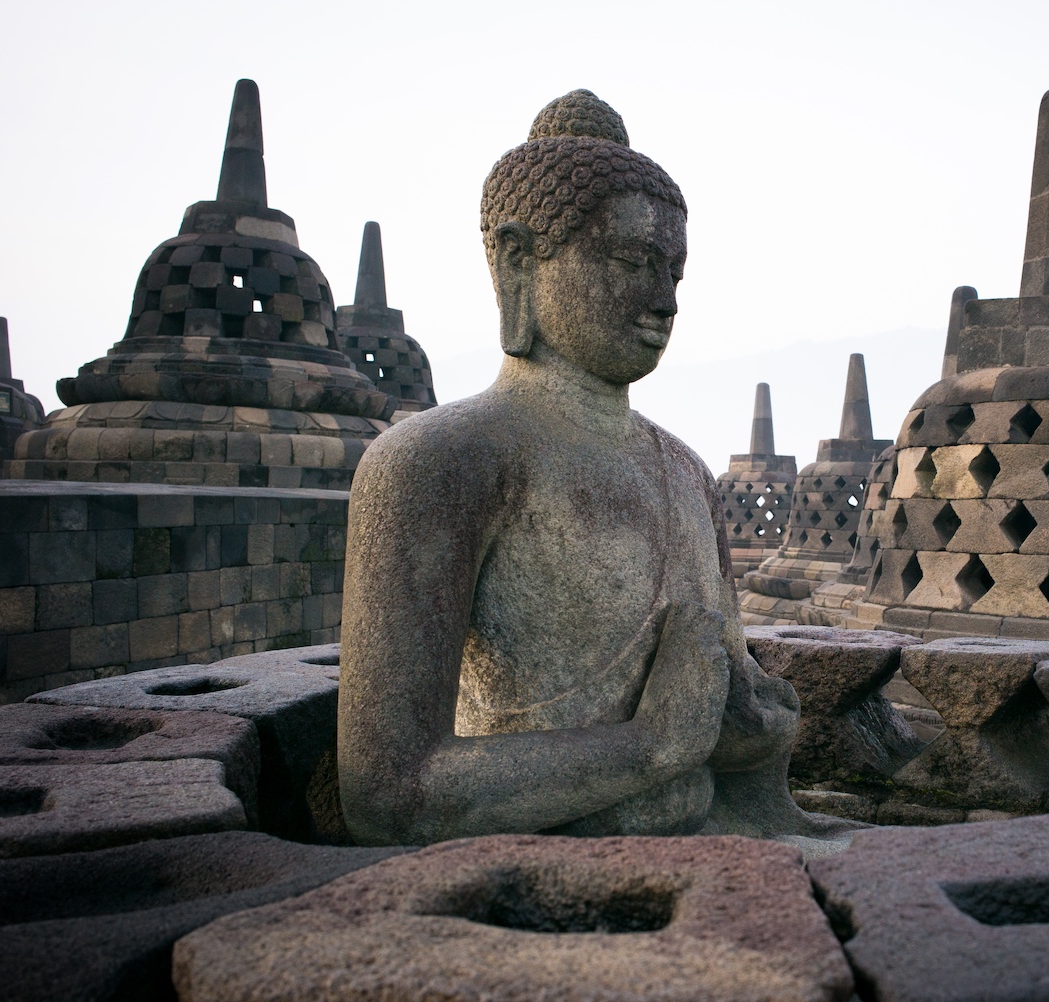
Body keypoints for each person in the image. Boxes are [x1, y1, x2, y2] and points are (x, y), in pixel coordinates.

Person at [338, 91, 856, 847]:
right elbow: (387, 795)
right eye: (633, 262)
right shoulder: (436, 464)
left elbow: (721, 725)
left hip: (713, 852)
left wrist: (746, 724)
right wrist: (652, 746)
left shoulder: (686, 472)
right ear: (521, 261)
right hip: (522, 885)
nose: (665, 301)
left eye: (675, 270)